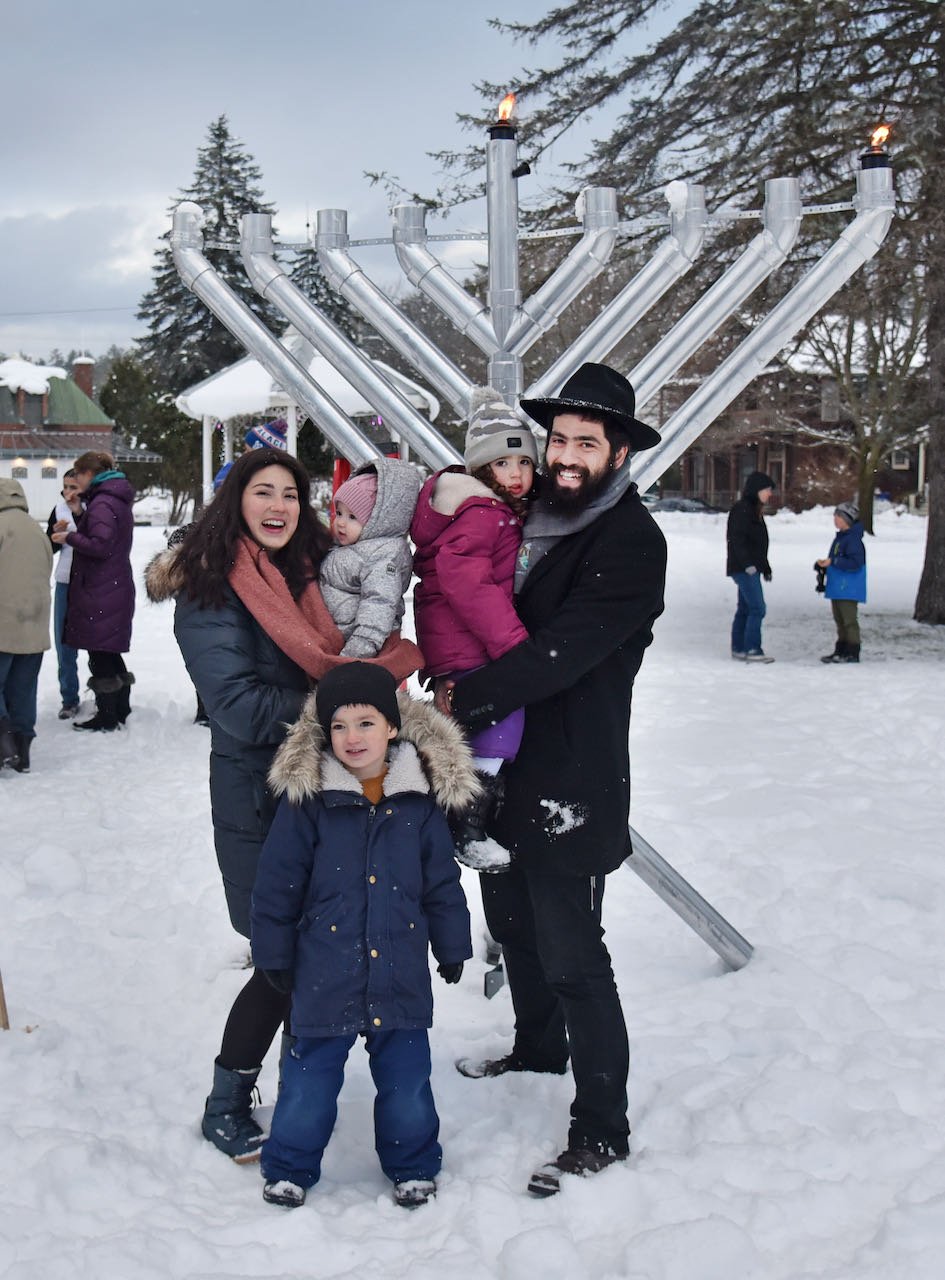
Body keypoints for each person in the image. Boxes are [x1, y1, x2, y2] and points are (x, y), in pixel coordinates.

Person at [144, 449, 422, 1163]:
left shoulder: (315, 575)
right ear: (235, 501)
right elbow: (233, 706)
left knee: (324, 950)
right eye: (262, 492)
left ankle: (304, 1105)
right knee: (281, 962)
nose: (278, 506)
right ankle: (227, 1100)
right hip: (261, 800)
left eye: (291, 495)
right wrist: (346, 708)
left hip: (330, 793)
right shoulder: (210, 587)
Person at [438, 362, 667, 1197]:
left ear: (616, 452)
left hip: (573, 771)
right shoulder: (525, 514)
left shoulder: (630, 540)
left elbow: (560, 653)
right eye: (559, 439)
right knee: (515, 926)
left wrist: (461, 703)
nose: (566, 456)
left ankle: (601, 1128)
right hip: (505, 768)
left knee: (574, 954)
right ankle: (537, 1047)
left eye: (586, 443)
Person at [251, 662, 475, 1210]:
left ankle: (413, 1163)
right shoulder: (309, 802)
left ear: (392, 728)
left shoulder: (418, 803)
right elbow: (276, 885)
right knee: (309, 1082)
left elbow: (441, 882)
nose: (353, 738)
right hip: (324, 971)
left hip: (398, 969)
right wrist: (274, 954)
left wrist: (452, 944)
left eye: (366, 723)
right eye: (340, 726)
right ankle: (290, 1166)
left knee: (407, 1084)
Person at [410, 389, 538, 870]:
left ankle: (459, 817)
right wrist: (513, 644)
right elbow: (467, 583)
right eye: (504, 464)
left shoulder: (483, 510)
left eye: (525, 463)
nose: (518, 475)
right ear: (483, 469)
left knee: (475, 730)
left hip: (456, 644)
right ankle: (466, 827)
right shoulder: (484, 513)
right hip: (471, 644)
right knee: (501, 727)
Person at [50, 450, 136, 730]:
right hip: (111, 584)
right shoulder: (111, 500)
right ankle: (120, 708)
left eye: (79, 475)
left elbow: (100, 545)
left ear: (89, 474)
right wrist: (78, 513)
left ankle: (108, 715)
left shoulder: (102, 503)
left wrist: (69, 536)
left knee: (100, 654)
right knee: (108, 651)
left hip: (101, 587)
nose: (77, 481)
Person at [319, 457, 422, 658]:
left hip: (356, 646)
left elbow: (379, 602)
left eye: (352, 517)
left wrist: (358, 650)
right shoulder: (347, 546)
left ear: (378, 522)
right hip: (335, 637)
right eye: (338, 513)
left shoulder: (382, 556)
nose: (340, 523)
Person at [0, 478, 53, 773]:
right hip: (35, 623)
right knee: (23, 688)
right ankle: (22, 749)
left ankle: (2, 743)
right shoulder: (35, 529)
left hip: (3, 620)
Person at [45, 469, 84, 718]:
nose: (68, 493)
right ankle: (69, 697)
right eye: (65, 488)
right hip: (64, 581)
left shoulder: (94, 510)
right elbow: (48, 546)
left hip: (90, 583)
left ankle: (106, 696)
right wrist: (54, 538)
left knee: (96, 642)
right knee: (63, 643)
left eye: (73, 487)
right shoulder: (58, 510)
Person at [726, 470, 776, 663]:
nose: (769, 494)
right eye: (767, 490)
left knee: (745, 608)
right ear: (757, 490)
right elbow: (737, 539)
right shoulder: (743, 509)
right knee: (758, 608)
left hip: (751, 567)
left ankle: (739, 648)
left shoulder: (754, 509)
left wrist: (766, 567)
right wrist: (747, 565)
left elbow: (758, 544)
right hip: (744, 569)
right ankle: (752, 648)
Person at [817, 500, 866, 663]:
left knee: (849, 620)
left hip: (848, 588)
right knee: (839, 620)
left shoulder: (853, 540)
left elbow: (856, 563)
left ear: (847, 519)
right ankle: (841, 649)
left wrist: (834, 562)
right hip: (838, 586)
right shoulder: (840, 538)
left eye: (838, 516)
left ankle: (852, 650)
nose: (835, 519)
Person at [212, 417, 288, 492]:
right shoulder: (234, 469)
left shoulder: (278, 478)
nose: (244, 454)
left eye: (249, 452)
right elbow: (221, 490)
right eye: (245, 450)